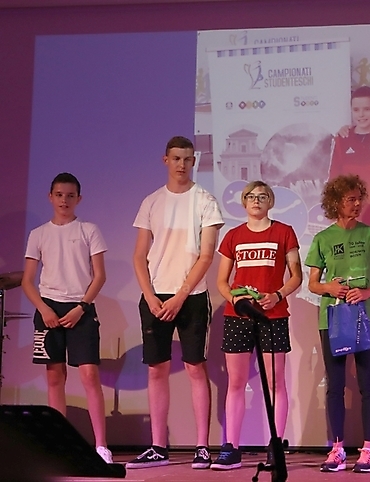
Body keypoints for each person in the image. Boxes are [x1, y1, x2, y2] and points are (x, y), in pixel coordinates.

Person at [127, 136, 224, 470]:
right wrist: (150, 295)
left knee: (196, 367)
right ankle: (158, 446)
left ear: (194, 161)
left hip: (191, 296)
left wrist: (181, 295)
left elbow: (206, 255)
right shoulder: (151, 201)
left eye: (187, 159)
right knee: (157, 369)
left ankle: (202, 446)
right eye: (176, 158)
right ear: (165, 160)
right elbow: (139, 256)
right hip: (156, 296)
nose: (181, 164)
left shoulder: (205, 200)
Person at [21, 172, 113, 464]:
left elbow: (99, 276)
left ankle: (101, 446)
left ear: (79, 199)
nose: (64, 200)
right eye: (59, 195)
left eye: (70, 196)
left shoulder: (89, 230)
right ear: (50, 197)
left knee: (89, 375)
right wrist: (44, 309)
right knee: (54, 376)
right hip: (48, 309)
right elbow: (27, 281)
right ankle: (59, 446)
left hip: (80, 309)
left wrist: (82, 307)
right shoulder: (38, 234)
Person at [211, 181, 302, 470]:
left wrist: (277, 295)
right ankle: (231, 447)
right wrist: (236, 301)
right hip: (237, 317)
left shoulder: (284, 232)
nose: (256, 201)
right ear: (243, 202)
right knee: (236, 382)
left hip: (273, 316)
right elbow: (222, 281)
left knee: (275, 382)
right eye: (251, 196)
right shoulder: (233, 235)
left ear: (270, 202)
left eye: (262, 196)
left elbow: (296, 276)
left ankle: (276, 446)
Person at [305, 174, 370, 473]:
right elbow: (313, 284)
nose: (356, 205)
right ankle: (337, 449)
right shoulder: (323, 238)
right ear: (335, 203)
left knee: (368, 385)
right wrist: (329, 288)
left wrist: (367, 292)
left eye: (359, 199)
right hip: (332, 318)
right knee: (335, 385)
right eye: (350, 200)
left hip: (366, 317)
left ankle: (368, 450)